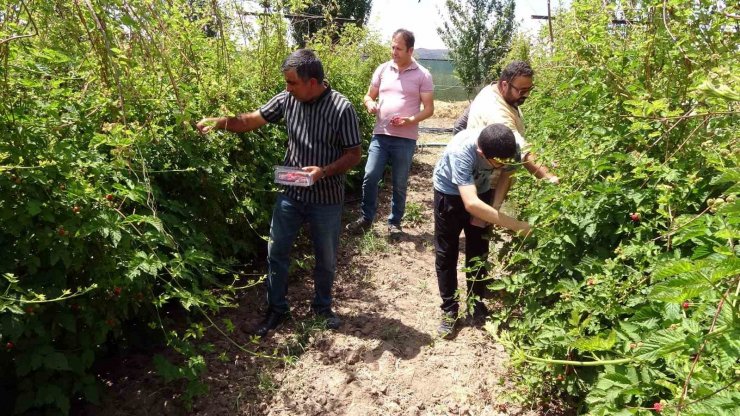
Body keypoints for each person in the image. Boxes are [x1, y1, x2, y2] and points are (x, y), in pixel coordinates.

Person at [196, 49, 362, 337]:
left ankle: (322, 308)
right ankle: (277, 310)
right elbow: (249, 120)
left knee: (326, 257)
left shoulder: (341, 108)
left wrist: (323, 171)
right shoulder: (286, 100)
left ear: (312, 82)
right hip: (290, 191)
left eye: (292, 82)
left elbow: (354, 154)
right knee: (276, 252)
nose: (287, 88)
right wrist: (218, 122)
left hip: (326, 198)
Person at [432, 124, 532, 339]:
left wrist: (492, 209)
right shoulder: (461, 151)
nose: (500, 166)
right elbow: (470, 203)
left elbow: (507, 174)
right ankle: (449, 310)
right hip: (449, 194)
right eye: (496, 163)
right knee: (446, 252)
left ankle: (476, 302)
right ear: (481, 153)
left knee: (479, 250)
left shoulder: (508, 145)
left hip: (481, 190)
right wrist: (517, 225)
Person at [346, 29, 435, 238]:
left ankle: (394, 222)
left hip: (405, 138)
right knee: (370, 175)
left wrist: (410, 120)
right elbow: (368, 96)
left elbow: (429, 109)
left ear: (410, 50)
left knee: (399, 181)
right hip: (381, 134)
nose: (394, 51)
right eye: (392, 46)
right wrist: (370, 104)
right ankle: (366, 218)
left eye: (399, 48)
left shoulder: (423, 74)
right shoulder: (382, 69)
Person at [463, 61, 559, 215]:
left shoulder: (492, 89)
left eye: (529, 89)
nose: (526, 95)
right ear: (505, 85)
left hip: (488, 176)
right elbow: (520, 148)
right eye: (522, 91)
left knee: (481, 224)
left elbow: (462, 120)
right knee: (479, 227)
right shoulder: (496, 111)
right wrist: (549, 178)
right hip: (484, 181)